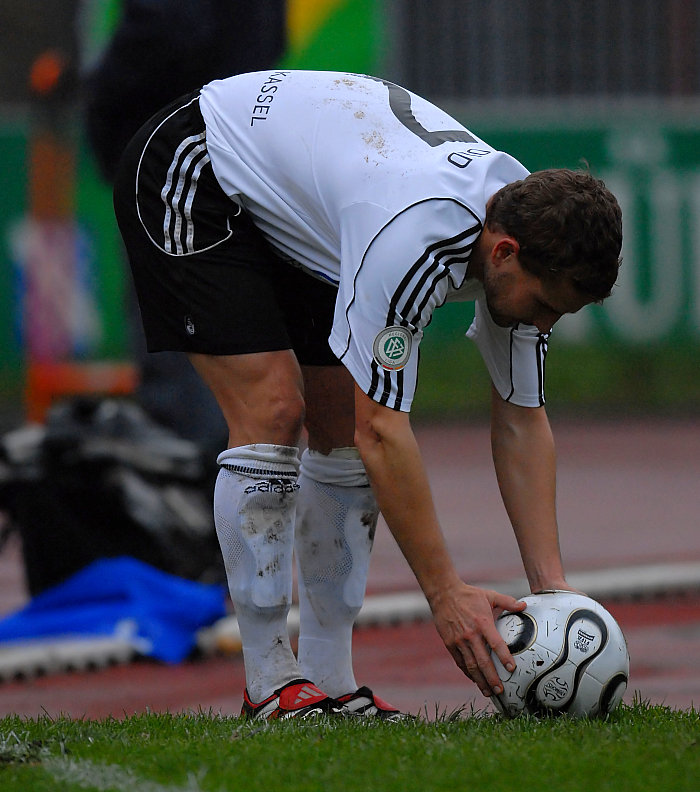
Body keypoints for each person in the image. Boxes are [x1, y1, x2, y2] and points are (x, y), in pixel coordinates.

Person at [113, 70, 622, 721]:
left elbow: (522, 418)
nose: (545, 323)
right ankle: (269, 684)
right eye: (546, 306)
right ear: (502, 253)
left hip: (316, 202)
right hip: (199, 163)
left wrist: (552, 593)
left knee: (336, 424)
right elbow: (382, 431)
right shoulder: (416, 239)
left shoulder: (526, 229)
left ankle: (331, 680)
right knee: (275, 408)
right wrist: (445, 594)